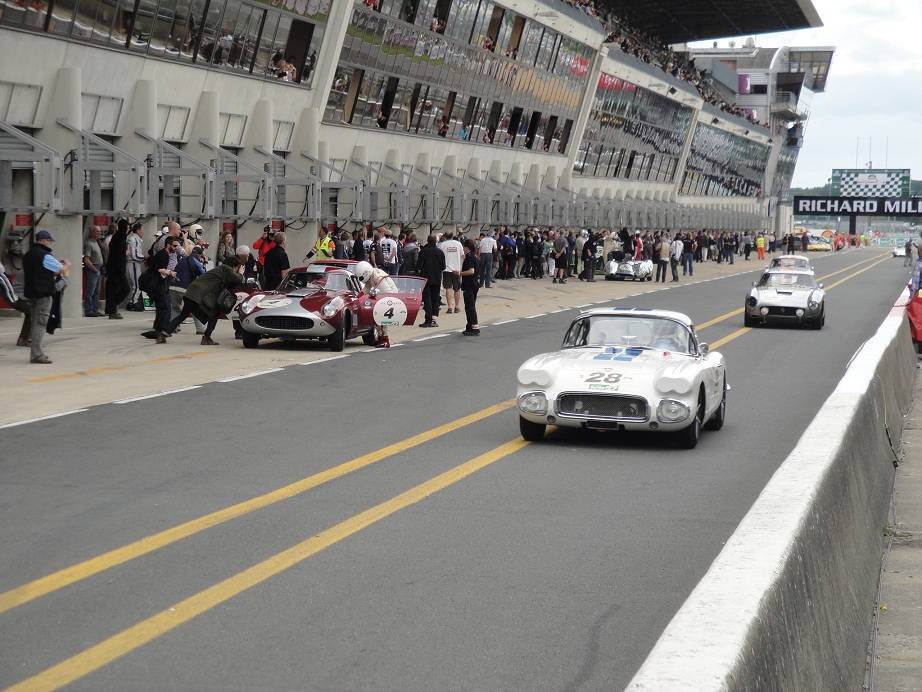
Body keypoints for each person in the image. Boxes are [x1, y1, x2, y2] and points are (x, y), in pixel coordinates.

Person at [163, 255, 245, 345]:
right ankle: (207, 337)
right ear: (234, 267)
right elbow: (239, 279)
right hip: (198, 294)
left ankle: (164, 334)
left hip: (191, 292)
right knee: (214, 314)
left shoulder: (221, 269)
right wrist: (241, 273)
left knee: (183, 314)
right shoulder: (226, 268)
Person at [22, 230, 71, 364]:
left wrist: (56, 264)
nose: (49, 243)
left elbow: (40, 270)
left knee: (34, 322)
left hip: (31, 293)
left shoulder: (28, 255)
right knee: (40, 324)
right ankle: (37, 355)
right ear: (43, 240)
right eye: (49, 241)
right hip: (43, 294)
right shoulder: (45, 255)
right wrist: (67, 264)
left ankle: (36, 351)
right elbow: (61, 270)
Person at [143, 235, 181, 343]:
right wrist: (170, 273)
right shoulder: (163, 254)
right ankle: (160, 330)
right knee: (163, 306)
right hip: (155, 283)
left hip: (158, 282)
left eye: (177, 246)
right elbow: (160, 270)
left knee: (163, 306)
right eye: (174, 246)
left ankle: (160, 329)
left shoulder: (164, 254)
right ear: (168, 245)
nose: (176, 248)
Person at [355, 260, 398, 347]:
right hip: (383, 297)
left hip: (390, 297)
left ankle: (385, 339)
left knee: (383, 318)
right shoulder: (371, 275)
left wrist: (375, 295)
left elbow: (387, 292)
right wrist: (358, 296)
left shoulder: (378, 278)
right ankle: (380, 337)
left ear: (365, 273)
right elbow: (367, 287)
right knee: (378, 317)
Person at [416, 233, 445, 327]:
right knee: (435, 298)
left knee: (427, 298)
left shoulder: (423, 251)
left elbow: (418, 265)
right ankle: (434, 317)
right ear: (436, 241)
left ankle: (428, 319)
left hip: (426, 278)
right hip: (437, 277)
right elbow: (443, 266)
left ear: (427, 241)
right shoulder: (440, 252)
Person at [104, 218, 130, 319]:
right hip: (117, 269)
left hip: (114, 267)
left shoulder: (119, 238)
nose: (128, 230)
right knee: (125, 288)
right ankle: (113, 305)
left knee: (111, 289)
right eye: (127, 228)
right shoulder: (118, 238)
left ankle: (111, 309)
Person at [459, 239, 480, 336]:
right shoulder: (475, 257)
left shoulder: (469, 258)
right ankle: (470, 326)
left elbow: (471, 271)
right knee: (471, 306)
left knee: (470, 307)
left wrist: (460, 273)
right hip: (474, 284)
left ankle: (474, 327)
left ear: (467, 247)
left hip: (469, 285)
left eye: (463, 247)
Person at [82, 225, 104, 316]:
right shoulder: (89, 244)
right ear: (92, 232)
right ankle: (89, 310)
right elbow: (86, 259)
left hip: (98, 269)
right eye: (97, 231)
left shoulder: (97, 243)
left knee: (97, 291)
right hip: (93, 269)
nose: (99, 233)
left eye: (99, 231)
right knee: (90, 291)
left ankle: (95, 309)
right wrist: (94, 269)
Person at [440, 230, 463, 312]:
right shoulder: (458, 244)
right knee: (457, 288)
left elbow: (440, 256)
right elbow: (462, 255)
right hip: (457, 269)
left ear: (445, 236)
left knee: (448, 288)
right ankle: (457, 306)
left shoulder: (443, 245)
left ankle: (449, 306)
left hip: (446, 269)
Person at [125, 222, 146, 311]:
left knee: (134, 284)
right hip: (133, 263)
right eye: (142, 230)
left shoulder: (131, 239)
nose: (144, 232)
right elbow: (135, 255)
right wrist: (145, 258)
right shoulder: (135, 240)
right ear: (138, 230)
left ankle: (132, 301)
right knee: (137, 284)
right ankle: (132, 302)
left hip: (131, 263)